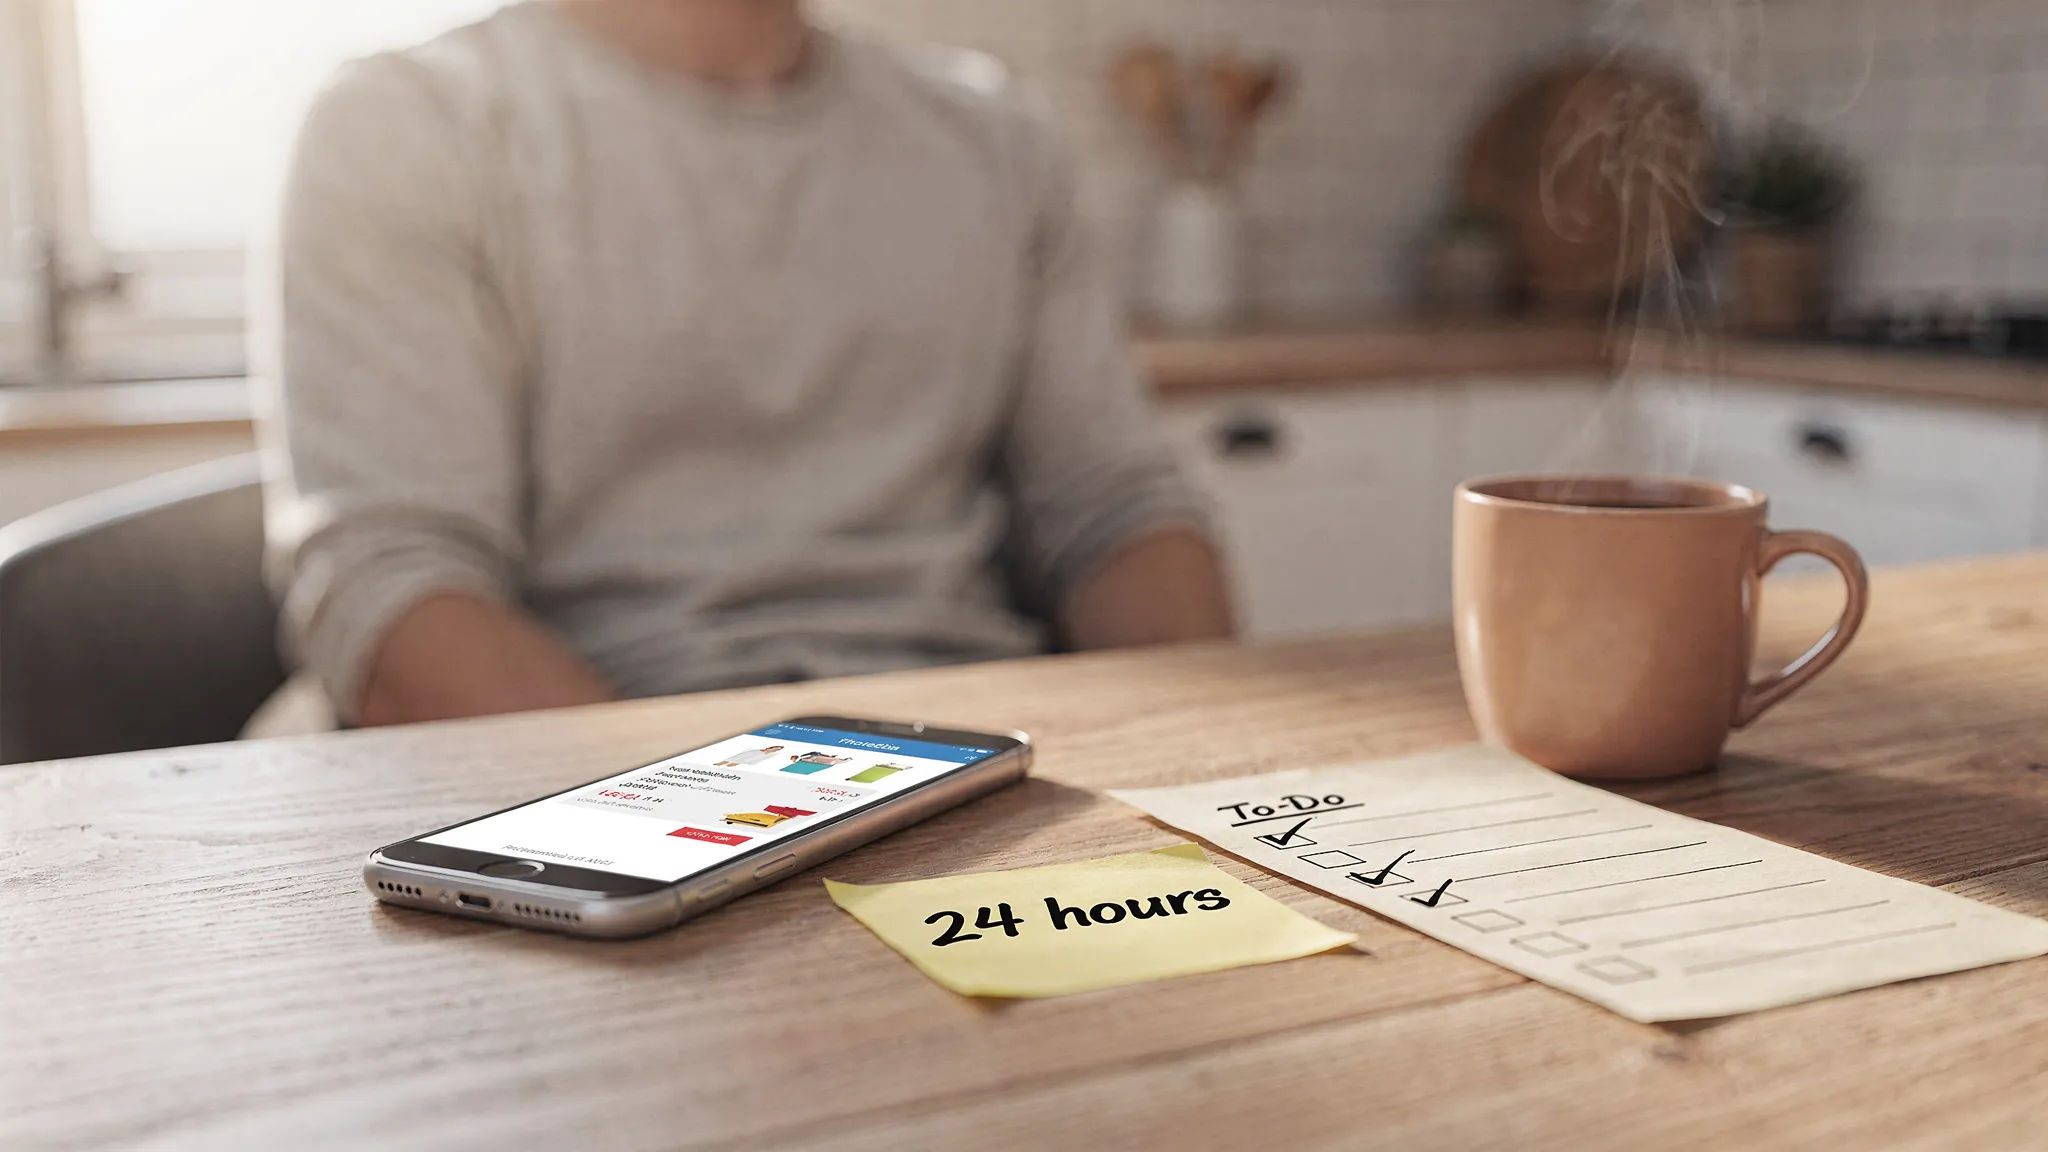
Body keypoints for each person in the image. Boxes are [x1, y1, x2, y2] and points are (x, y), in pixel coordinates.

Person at [256, 0, 1233, 730]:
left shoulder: (995, 139)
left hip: (966, 764)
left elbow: (1116, 508)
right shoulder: (409, 126)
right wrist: (716, 830)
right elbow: (391, 599)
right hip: (609, 786)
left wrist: (1197, 771)